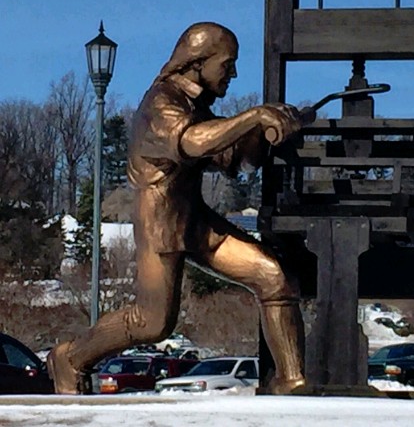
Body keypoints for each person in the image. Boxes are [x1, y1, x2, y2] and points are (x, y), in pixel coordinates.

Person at [47, 22, 306, 395]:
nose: (232, 73)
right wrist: (253, 117)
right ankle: (69, 358)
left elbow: (232, 158)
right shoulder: (161, 102)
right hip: (160, 224)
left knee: (273, 276)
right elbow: (193, 142)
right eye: (227, 64)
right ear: (197, 62)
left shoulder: (196, 105)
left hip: (195, 221)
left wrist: (267, 135)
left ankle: (290, 382)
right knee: (153, 323)